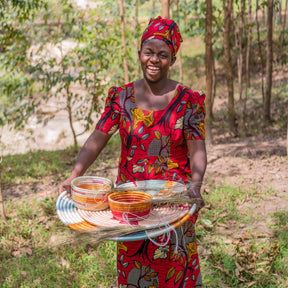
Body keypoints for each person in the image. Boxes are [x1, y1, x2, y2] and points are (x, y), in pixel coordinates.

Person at [59, 16, 207, 288]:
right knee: (135, 269)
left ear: (172, 59)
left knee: (175, 265)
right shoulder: (122, 98)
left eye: (163, 54)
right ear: (139, 53)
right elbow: (97, 137)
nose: (154, 59)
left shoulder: (188, 101)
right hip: (130, 204)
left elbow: (197, 147)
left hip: (172, 201)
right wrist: (74, 175)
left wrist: (195, 184)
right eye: (148, 52)